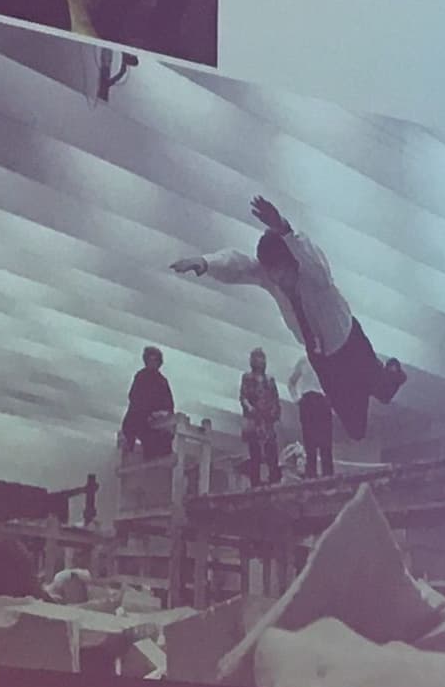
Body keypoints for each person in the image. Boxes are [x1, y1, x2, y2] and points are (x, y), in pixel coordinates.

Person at [172, 198, 406, 467]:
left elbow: (314, 258)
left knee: (385, 392)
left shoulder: (314, 275)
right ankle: (375, 380)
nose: (281, 282)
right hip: (324, 361)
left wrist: (284, 228)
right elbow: (239, 264)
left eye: (284, 273)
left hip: (351, 344)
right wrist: (205, 262)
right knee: (356, 429)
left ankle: (388, 373)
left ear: (293, 263)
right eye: (274, 275)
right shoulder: (270, 277)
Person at [117, 348, 175, 463]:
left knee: (159, 441)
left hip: (156, 421)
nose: (153, 363)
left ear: (159, 362)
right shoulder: (141, 376)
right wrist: (147, 412)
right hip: (139, 417)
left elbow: (169, 404)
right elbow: (134, 397)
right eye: (150, 360)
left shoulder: (162, 381)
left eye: (155, 360)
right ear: (146, 361)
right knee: (133, 427)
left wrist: (160, 414)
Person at [236, 350, 282, 487]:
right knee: (254, 451)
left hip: (268, 420)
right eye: (256, 358)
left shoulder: (270, 380)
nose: (259, 361)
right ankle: (255, 482)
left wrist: (274, 413)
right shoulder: (247, 378)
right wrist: (250, 409)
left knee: (271, 450)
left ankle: (274, 479)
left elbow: (275, 398)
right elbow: (243, 396)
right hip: (253, 419)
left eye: (262, 358)